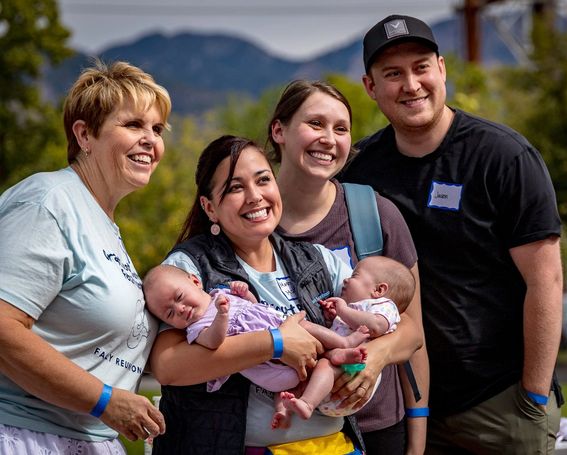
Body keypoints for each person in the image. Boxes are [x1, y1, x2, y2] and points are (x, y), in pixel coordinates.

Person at [339, 14, 564, 454]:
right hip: (407, 405)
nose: (411, 84)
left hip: (499, 402)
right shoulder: (360, 168)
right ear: (370, 87)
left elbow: (547, 281)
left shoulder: (504, 157)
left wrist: (533, 398)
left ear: (442, 69)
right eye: (393, 74)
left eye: (421, 67)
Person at [148, 135, 423, 454]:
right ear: (210, 207)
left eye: (263, 180)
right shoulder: (188, 268)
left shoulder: (316, 259)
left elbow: (409, 330)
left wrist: (377, 356)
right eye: (235, 188)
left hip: (330, 446)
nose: (254, 196)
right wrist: (276, 343)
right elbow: (168, 366)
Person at [0, 60, 171, 454]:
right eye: (133, 125)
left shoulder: (104, 224)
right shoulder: (49, 201)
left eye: (157, 129)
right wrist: (105, 400)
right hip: (25, 436)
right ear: (84, 135)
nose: (150, 140)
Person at [268, 79, 430, 454]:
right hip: (282, 432)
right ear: (279, 130)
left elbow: (414, 332)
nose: (329, 138)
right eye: (315, 124)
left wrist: (417, 444)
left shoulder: (375, 214)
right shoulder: (248, 219)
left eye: (341, 129)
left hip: (377, 429)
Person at [143, 264, 369, 427]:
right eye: (170, 313)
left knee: (308, 333)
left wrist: (246, 294)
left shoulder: (220, 293)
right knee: (291, 379)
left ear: (195, 281)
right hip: (269, 366)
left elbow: (254, 310)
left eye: (180, 297)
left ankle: (341, 346)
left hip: (284, 328)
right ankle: (300, 401)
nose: (181, 309)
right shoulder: (195, 329)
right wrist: (221, 316)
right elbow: (214, 342)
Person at [281, 255, 416, 423]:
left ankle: (307, 403)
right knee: (294, 378)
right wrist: (333, 317)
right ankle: (284, 410)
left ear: (379, 290)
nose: (345, 280)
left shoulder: (385, 307)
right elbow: (345, 326)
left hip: (351, 377)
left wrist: (343, 310)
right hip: (332, 379)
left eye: (354, 276)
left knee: (324, 366)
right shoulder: (355, 308)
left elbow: (375, 326)